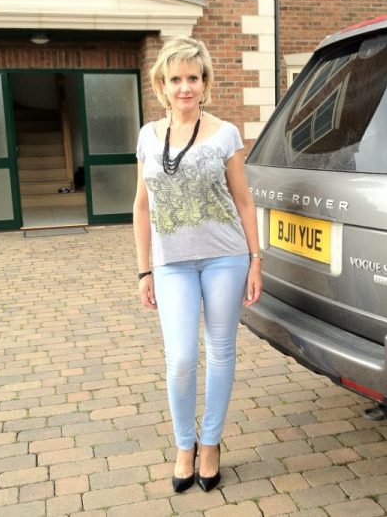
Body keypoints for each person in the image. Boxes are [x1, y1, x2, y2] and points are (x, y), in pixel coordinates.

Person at [132, 35, 263, 493]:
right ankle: (183, 443)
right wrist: (144, 269)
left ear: (205, 83)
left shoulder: (225, 133)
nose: (184, 87)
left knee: (221, 349)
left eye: (193, 77)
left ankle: (211, 444)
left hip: (225, 256)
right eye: (175, 79)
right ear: (162, 85)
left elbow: (244, 202)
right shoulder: (148, 136)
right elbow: (141, 206)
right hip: (172, 265)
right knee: (182, 358)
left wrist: (254, 260)